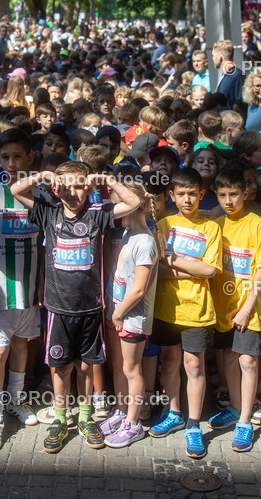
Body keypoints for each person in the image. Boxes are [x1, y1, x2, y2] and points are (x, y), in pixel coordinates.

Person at [9, 161, 141, 453]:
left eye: (79, 185)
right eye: (65, 185)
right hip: (59, 309)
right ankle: (59, 419)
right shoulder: (48, 212)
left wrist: (106, 179)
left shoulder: (99, 215)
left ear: (89, 187)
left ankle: (85, 417)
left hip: (90, 309)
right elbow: (15, 188)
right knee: (60, 367)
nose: (73, 191)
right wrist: (43, 175)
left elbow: (134, 201)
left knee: (86, 366)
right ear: (55, 189)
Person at [148, 168, 222, 459]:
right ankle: (174, 412)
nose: (187, 199)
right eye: (181, 194)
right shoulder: (164, 225)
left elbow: (210, 270)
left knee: (194, 367)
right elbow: (157, 268)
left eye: (193, 193)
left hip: (198, 312)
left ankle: (194, 425)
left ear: (202, 195)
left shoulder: (212, 228)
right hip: (166, 309)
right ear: (172, 196)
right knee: (169, 362)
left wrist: (175, 261)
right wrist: (188, 269)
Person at [0, 130, 43, 451]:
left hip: (31, 290)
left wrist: (43, 284)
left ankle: (16, 399)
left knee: (21, 346)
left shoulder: (42, 197)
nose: (12, 162)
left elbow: (47, 246)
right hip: (1, 292)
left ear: (31, 158)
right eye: (5, 157)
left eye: (18, 156)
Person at [210, 166, 261, 453]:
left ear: (245, 192)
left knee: (248, 362)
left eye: (234, 194)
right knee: (229, 359)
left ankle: (246, 421)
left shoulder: (258, 224)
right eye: (222, 195)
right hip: (223, 308)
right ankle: (235, 409)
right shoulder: (217, 224)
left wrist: (247, 309)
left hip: (249, 309)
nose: (228, 201)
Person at [102, 181, 157, 449]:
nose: (115, 210)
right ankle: (122, 411)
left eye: (118, 204)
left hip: (132, 317)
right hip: (120, 314)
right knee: (122, 367)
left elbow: (139, 289)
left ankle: (133, 424)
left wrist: (119, 312)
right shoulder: (127, 234)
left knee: (132, 370)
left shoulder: (145, 241)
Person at [212, 40, 243, 109]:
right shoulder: (224, 76)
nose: (212, 58)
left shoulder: (237, 75)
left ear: (219, 57)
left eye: (213, 55)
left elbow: (240, 104)